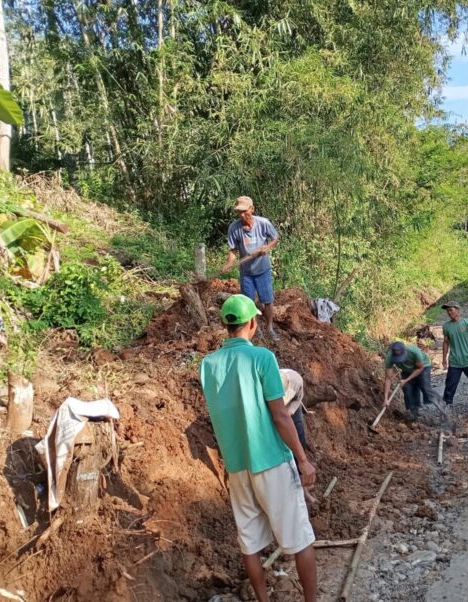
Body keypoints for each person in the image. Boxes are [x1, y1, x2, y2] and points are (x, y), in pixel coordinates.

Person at [200, 295, 316, 602]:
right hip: (272, 461)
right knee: (300, 539)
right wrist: (303, 460)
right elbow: (280, 414)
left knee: (249, 543)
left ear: (226, 325)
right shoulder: (262, 358)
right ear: (252, 323)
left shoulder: (208, 365)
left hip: (237, 466)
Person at [221, 196, 281, 340]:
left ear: (252, 209)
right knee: (248, 302)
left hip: (263, 270)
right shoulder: (234, 228)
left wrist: (267, 247)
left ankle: (270, 328)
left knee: (267, 300)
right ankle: (256, 329)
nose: (242, 215)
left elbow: (275, 237)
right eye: (239, 212)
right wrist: (229, 263)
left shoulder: (263, 223)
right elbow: (233, 250)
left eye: (244, 211)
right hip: (246, 272)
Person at [280, 368, 317, 504]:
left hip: (294, 399)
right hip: (280, 392)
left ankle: (304, 489)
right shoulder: (267, 384)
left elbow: (284, 417)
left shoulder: (293, 387)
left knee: (298, 439)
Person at [383, 341, 440, 420]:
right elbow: (388, 378)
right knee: (407, 389)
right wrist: (386, 399)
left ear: (405, 351)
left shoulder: (414, 352)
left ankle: (442, 407)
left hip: (423, 367)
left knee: (425, 387)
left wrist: (406, 380)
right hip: (407, 370)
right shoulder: (390, 357)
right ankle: (414, 414)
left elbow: (419, 368)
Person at [441, 301, 468, 405]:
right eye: (447, 311)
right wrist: (444, 359)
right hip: (454, 362)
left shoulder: (467, 323)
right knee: (450, 386)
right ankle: (446, 407)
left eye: (451, 310)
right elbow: (445, 343)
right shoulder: (446, 326)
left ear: (458, 310)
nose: (449, 313)